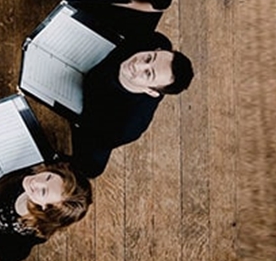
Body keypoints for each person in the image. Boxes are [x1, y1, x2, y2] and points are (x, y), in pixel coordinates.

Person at [70, 32, 194, 178]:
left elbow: (89, 126)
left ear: (151, 92)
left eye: (148, 74)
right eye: (149, 58)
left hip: (91, 119)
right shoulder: (153, 40)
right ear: (157, 50)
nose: (138, 64)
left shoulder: (126, 127)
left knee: (88, 167)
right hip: (89, 64)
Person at [0, 160, 92, 261]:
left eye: (44, 192)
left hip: (8, 241)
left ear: (45, 208)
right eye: (49, 177)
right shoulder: (29, 179)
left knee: (5, 256)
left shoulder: (30, 228)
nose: (36, 181)